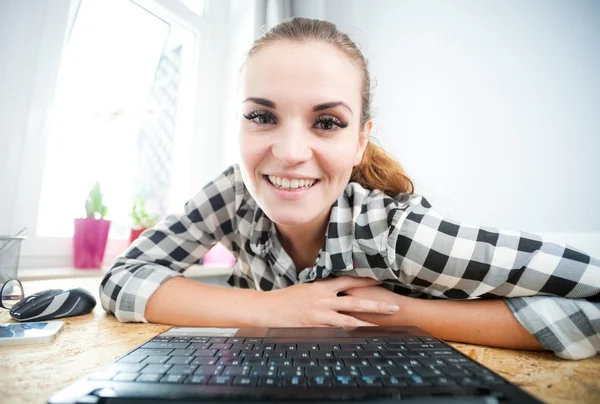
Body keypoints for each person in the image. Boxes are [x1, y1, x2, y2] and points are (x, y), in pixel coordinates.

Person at [99, 17, 600, 360]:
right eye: (261, 116)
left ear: (362, 141)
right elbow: (121, 279)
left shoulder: (399, 234)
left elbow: (592, 305)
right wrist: (276, 309)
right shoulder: (232, 193)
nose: (291, 151)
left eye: (327, 123)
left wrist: (389, 315)